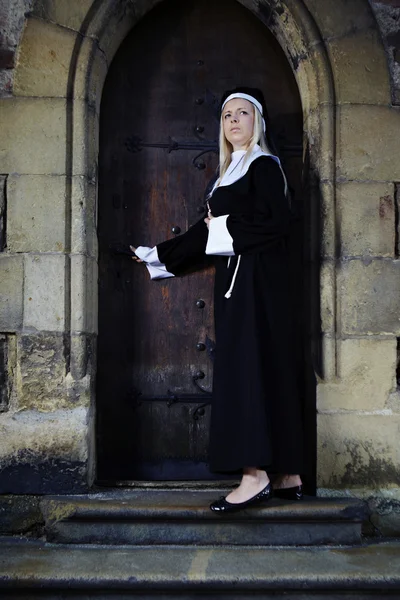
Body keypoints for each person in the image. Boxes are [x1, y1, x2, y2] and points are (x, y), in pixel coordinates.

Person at [131, 87, 304, 512]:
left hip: (255, 285)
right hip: (243, 282)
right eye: (227, 115)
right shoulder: (229, 171)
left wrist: (224, 226)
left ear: (256, 122)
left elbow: (279, 222)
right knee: (263, 367)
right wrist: (161, 256)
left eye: (242, 113)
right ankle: (286, 473)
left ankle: (254, 475)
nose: (233, 120)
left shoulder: (264, 165)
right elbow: (205, 233)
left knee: (248, 368)